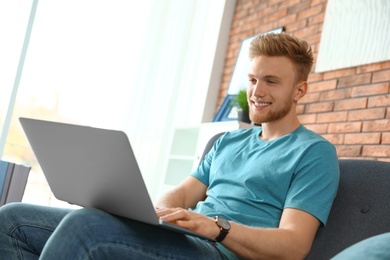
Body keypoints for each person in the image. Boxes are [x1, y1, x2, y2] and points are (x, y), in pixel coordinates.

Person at [0, 32, 339, 259]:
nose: (256, 91)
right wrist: (161, 214)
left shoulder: (313, 153)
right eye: (252, 79)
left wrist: (217, 228)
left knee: (86, 226)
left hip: (219, 252)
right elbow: (180, 195)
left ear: (299, 91)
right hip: (186, 241)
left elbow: (294, 245)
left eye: (271, 81)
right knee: (11, 219)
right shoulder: (227, 141)